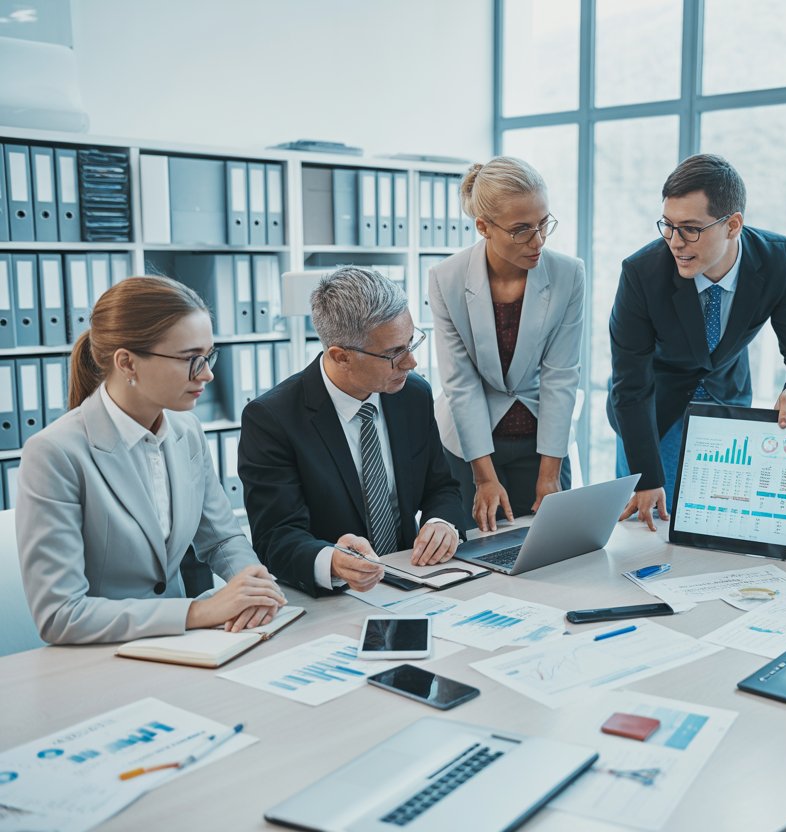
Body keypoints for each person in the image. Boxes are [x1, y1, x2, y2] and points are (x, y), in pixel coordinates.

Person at [16, 276, 285, 645]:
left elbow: (221, 539)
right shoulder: (54, 453)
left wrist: (255, 587)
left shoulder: (187, 430)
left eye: (208, 356)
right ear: (127, 362)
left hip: (179, 647)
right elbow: (61, 615)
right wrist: (199, 611)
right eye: (191, 359)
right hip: (98, 661)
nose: (207, 374)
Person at [609, 153, 786, 529]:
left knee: (722, 528)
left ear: (732, 225)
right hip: (653, 412)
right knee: (645, 533)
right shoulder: (641, 273)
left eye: (690, 228)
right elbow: (630, 383)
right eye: (668, 226)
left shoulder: (777, 258)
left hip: (728, 404)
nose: (675, 242)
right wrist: (647, 477)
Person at [238, 267, 463, 597]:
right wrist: (331, 561)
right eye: (393, 354)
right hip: (332, 596)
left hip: (414, 580)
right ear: (340, 356)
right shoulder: (272, 419)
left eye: (411, 343)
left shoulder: (412, 394)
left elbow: (441, 486)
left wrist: (441, 524)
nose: (411, 362)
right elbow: (276, 536)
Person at [429, 157, 583, 532]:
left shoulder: (568, 273)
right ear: (483, 226)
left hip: (543, 441)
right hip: (470, 446)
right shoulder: (446, 278)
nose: (539, 241)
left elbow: (561, 378)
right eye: (521, 230)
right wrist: (484, 477)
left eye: (543, 223)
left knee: (554, 553)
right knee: (476, 558)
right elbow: (460, 384)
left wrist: (550, 476)